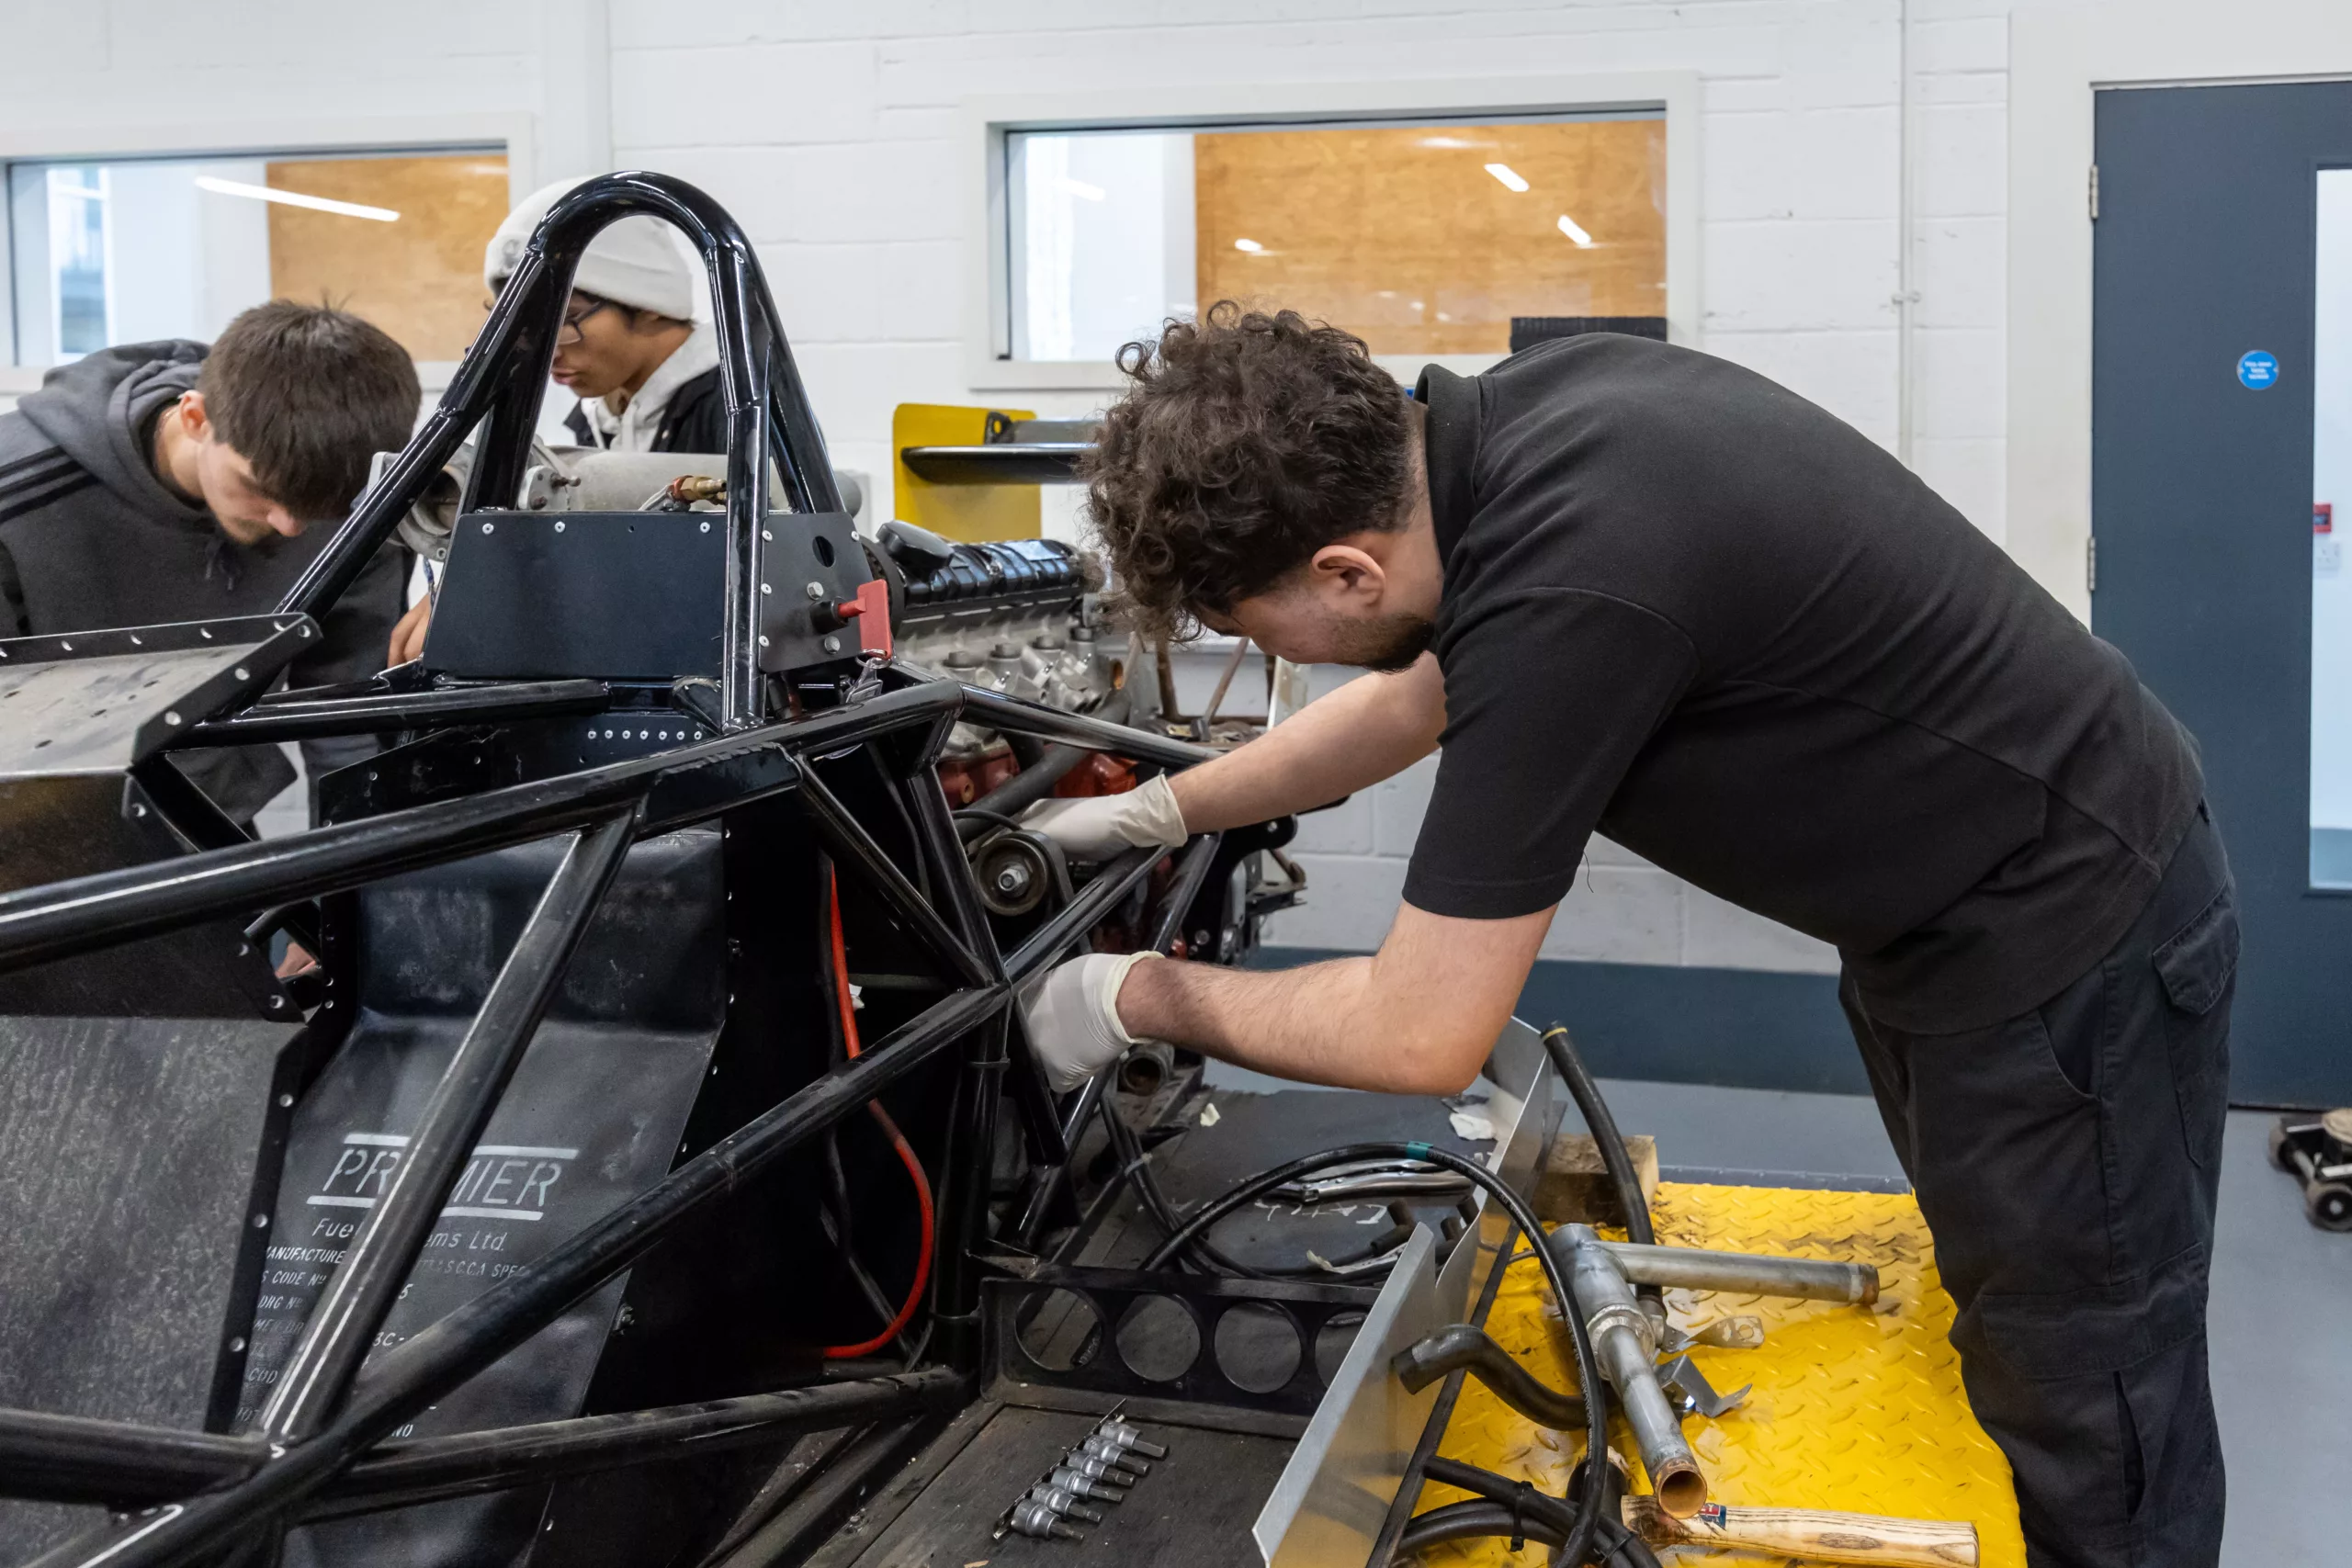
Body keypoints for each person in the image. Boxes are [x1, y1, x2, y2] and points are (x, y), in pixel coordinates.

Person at [1022, 306, 2233, 1568]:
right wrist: (1150, 808)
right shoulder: (1525, 433)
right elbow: (1416, 700)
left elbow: (1423, 1026)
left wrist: (1137, 993)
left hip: (2066, 927)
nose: (1276, 654)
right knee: (2022, 1306)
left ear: (1347, 574)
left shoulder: (1568, 586)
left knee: (2087, 1362)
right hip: (1949, 914)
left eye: (1259, 629)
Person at [0, 300, 418, 828]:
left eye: (316, 509)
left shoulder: (356, 497)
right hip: (39, 831)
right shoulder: (16, 502)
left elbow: (347, 718)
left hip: (212, 817)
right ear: (196, 417)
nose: (289, 526)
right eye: (260, 490)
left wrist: (359, 882)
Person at [383, 178, 722, 664]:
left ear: (648, 303)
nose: (546, 352)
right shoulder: (603, 412)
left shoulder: (734, 410)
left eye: (566, 320)